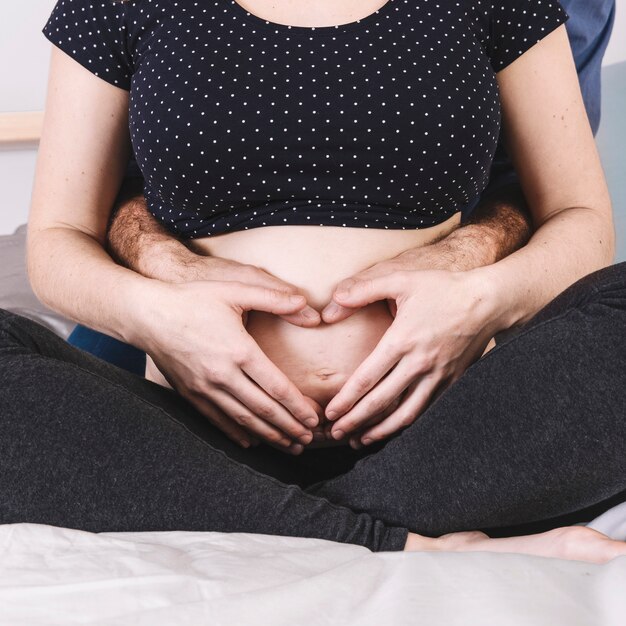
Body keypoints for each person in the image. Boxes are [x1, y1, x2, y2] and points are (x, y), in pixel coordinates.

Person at [1, 0, 625, 561]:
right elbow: (58, 238)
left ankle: (258, 516)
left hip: (452, 433)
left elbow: (581, 221)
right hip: (197, 432)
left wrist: (479, 301)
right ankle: (386, 535)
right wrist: (157, 317)